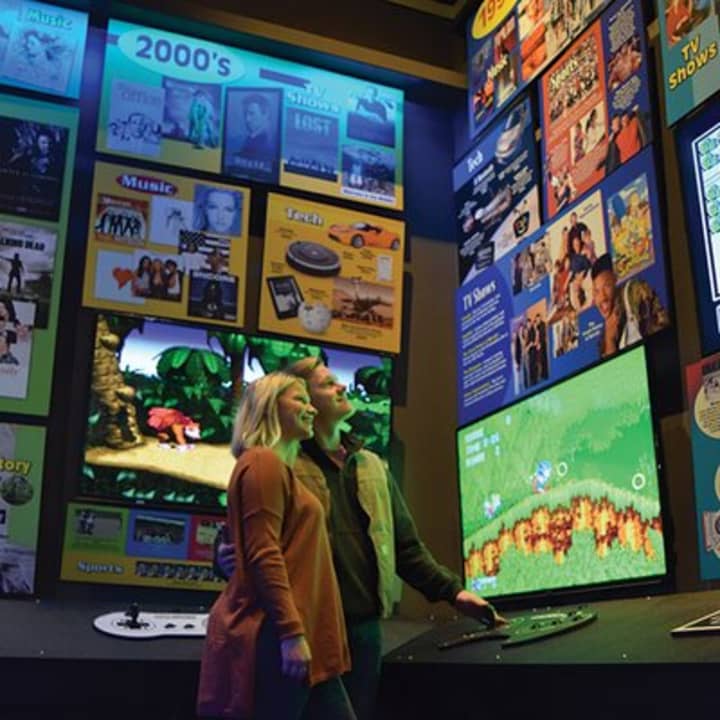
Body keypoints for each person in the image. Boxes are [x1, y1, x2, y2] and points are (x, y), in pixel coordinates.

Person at [215, 357, 504, 720]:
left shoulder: (372, 465)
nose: (342, 387)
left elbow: (406, 549)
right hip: (304, 624)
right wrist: (226, 560)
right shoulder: (278, 462)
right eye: (326, 384)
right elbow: (247, 544)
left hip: (362, 628)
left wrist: (454, 593)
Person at [197, 372, 355, 720]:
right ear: (269, 406)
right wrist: (291, 633)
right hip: (278, 636)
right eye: (300, 399)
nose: (312, 409)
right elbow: (264, 552)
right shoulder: (262, 463)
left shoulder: (278, 468)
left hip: (301, 636)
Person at [590, 253, 669, 357]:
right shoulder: (604, 336)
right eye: (596, 291)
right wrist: (609, 340)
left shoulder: (634, 292)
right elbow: (615, 367)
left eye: (607, 286)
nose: (602, 297)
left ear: (616, 280)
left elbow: (662, 343)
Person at [239, 93, 274, 160]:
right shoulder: (251, 138)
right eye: (245, 114)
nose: (247, 119)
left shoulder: (269, 143)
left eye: (252, 113)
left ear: (266, 114)